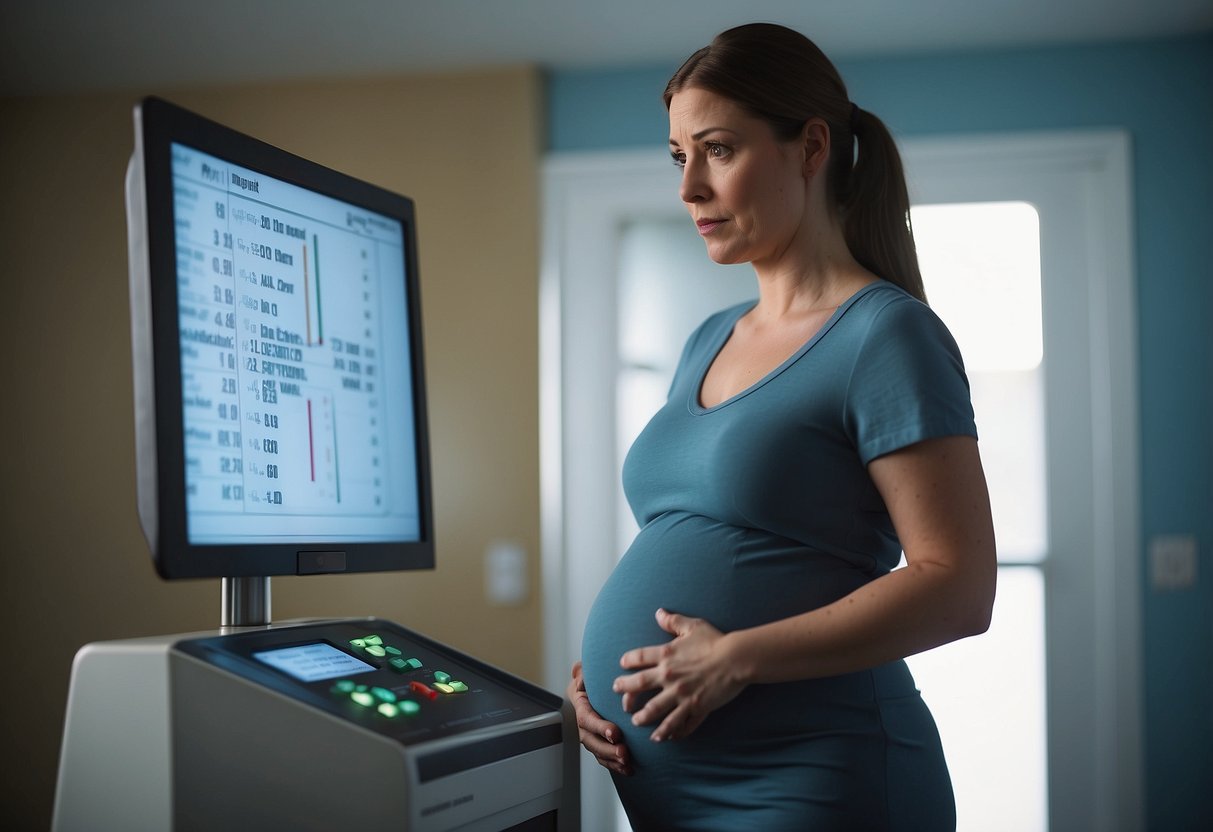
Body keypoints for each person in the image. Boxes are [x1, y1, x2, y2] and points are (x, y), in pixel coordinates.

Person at [566, 22, 998, 832]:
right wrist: (598, 682)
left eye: (718, 150)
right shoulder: (708, 338)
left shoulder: (885, 334)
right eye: (676, 157)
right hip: (672, 792)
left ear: (809, 149)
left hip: (815, 779)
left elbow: (958, 587)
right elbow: (698, 542)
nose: (689, 186)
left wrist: (733, 659)